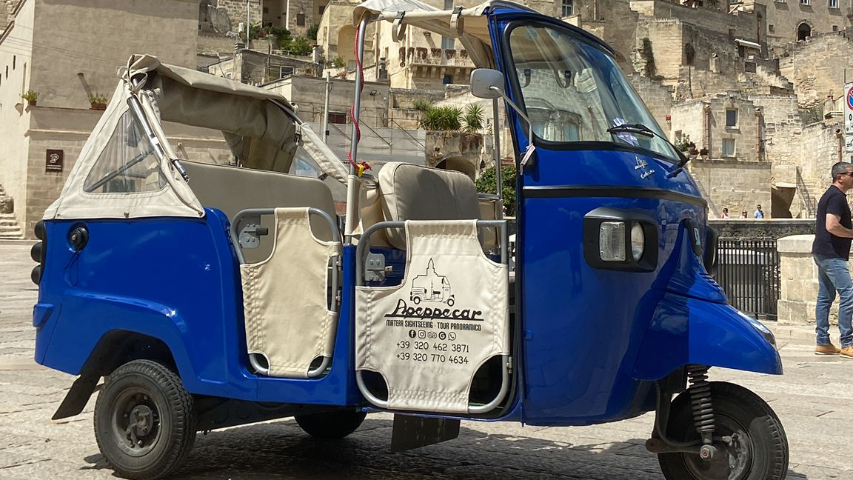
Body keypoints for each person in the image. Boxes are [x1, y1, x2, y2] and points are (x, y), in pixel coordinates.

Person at [812, 162, 853, 358]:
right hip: (831, 254)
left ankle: (823, 342)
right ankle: (847, 343)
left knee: (825, 297)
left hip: (822, 252)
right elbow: (832, 226)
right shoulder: (836, 197)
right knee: (849, 295)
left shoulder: (832, 194)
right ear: (840, 177)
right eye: (852, 174)